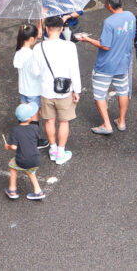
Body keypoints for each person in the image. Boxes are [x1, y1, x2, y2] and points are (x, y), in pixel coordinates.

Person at [75, 0, 135, 135]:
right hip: (123, 63)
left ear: (108, 6)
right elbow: (131, 38)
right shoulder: (131, 16)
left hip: (106, 65)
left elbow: (105, 45)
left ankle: (107, 124)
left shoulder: (109, 22)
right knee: (122, 90)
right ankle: (121, 121)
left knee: (100, 94)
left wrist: (86, 39)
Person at [30, 16, 82, 165]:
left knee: (49, 121)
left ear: (46, 29)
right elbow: (75, 71)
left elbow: (34, 72)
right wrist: (76, 91)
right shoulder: (70, 46)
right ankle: (60, 152)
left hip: (46, 91)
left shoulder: (38, 48)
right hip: (65, 91)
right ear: (61, 29)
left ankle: (52, 149)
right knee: (64, 122)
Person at [3, 102, 45, 200]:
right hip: (36, 158)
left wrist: (7, 146)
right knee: (31, 171)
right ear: (29, 118)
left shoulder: (15, 130)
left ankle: (12, 190)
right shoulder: (35, 128)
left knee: (12, 166)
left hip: (22, 159)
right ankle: (38, 191)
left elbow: (13, 147)